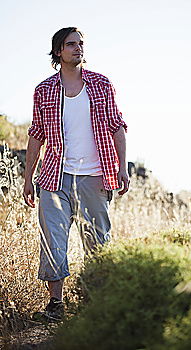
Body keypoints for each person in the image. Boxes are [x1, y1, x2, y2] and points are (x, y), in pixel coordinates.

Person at [23, 27, 129, 321]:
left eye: (81, 44)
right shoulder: (44, 90)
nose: (78, 48)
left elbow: (117, 127)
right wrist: (28, 178)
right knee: (52, 240)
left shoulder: (101, 84)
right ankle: (56, 304)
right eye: (71, 44)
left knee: (98, 241)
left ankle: (96, 304)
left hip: (95, 176)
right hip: (54, 178)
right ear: (58, 51)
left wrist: (122, 167)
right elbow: (36, 135)